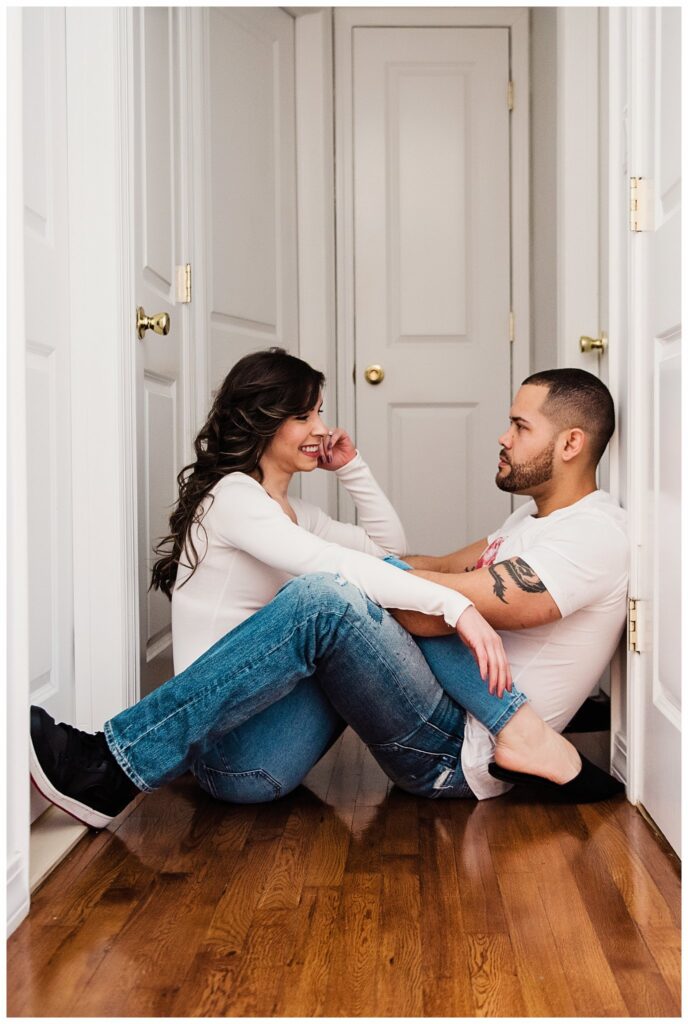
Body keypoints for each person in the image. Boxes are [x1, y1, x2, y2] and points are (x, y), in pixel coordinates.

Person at [29, 354, 625, 829]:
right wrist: (450, 601)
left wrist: (356, 475)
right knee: (343, 593)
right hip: (230, 751)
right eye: (305, 416)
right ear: (264, 423)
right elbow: (382, 568)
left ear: (570, 443)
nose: (320, 429)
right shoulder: (237, 499)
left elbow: (384, 551)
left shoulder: (589, 533)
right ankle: (117, 764)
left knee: (358, 590)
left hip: (279, 752)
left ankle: (110, 766)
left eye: (519, 425)